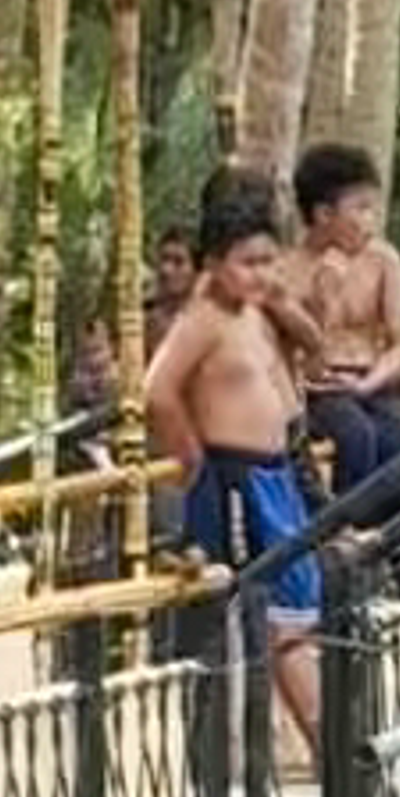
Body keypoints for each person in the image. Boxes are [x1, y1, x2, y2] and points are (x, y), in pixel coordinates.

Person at [147, 182, 325, 745]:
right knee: (269, 619)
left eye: (269, 261)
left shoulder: (256, 310)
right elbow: (157, 390)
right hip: (234, 479)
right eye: (248, 263)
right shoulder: (203, 319)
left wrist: (279, 299)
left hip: (277, 473)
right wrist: (189, 454)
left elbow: (314, 346)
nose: (261, 273)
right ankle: (318, 745)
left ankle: (324, 747)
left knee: (297, 612)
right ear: (216, 264)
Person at [276, 139, 400, 521]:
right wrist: (322, 298)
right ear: (324, 214)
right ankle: (345, 532)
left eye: (371, 208)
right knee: (355, 435)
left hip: (371, 381)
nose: (369, 221)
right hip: (318, 391)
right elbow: (300, 352)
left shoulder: (382, 259)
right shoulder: (287, 270)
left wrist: (367, 383)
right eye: (359, 209)